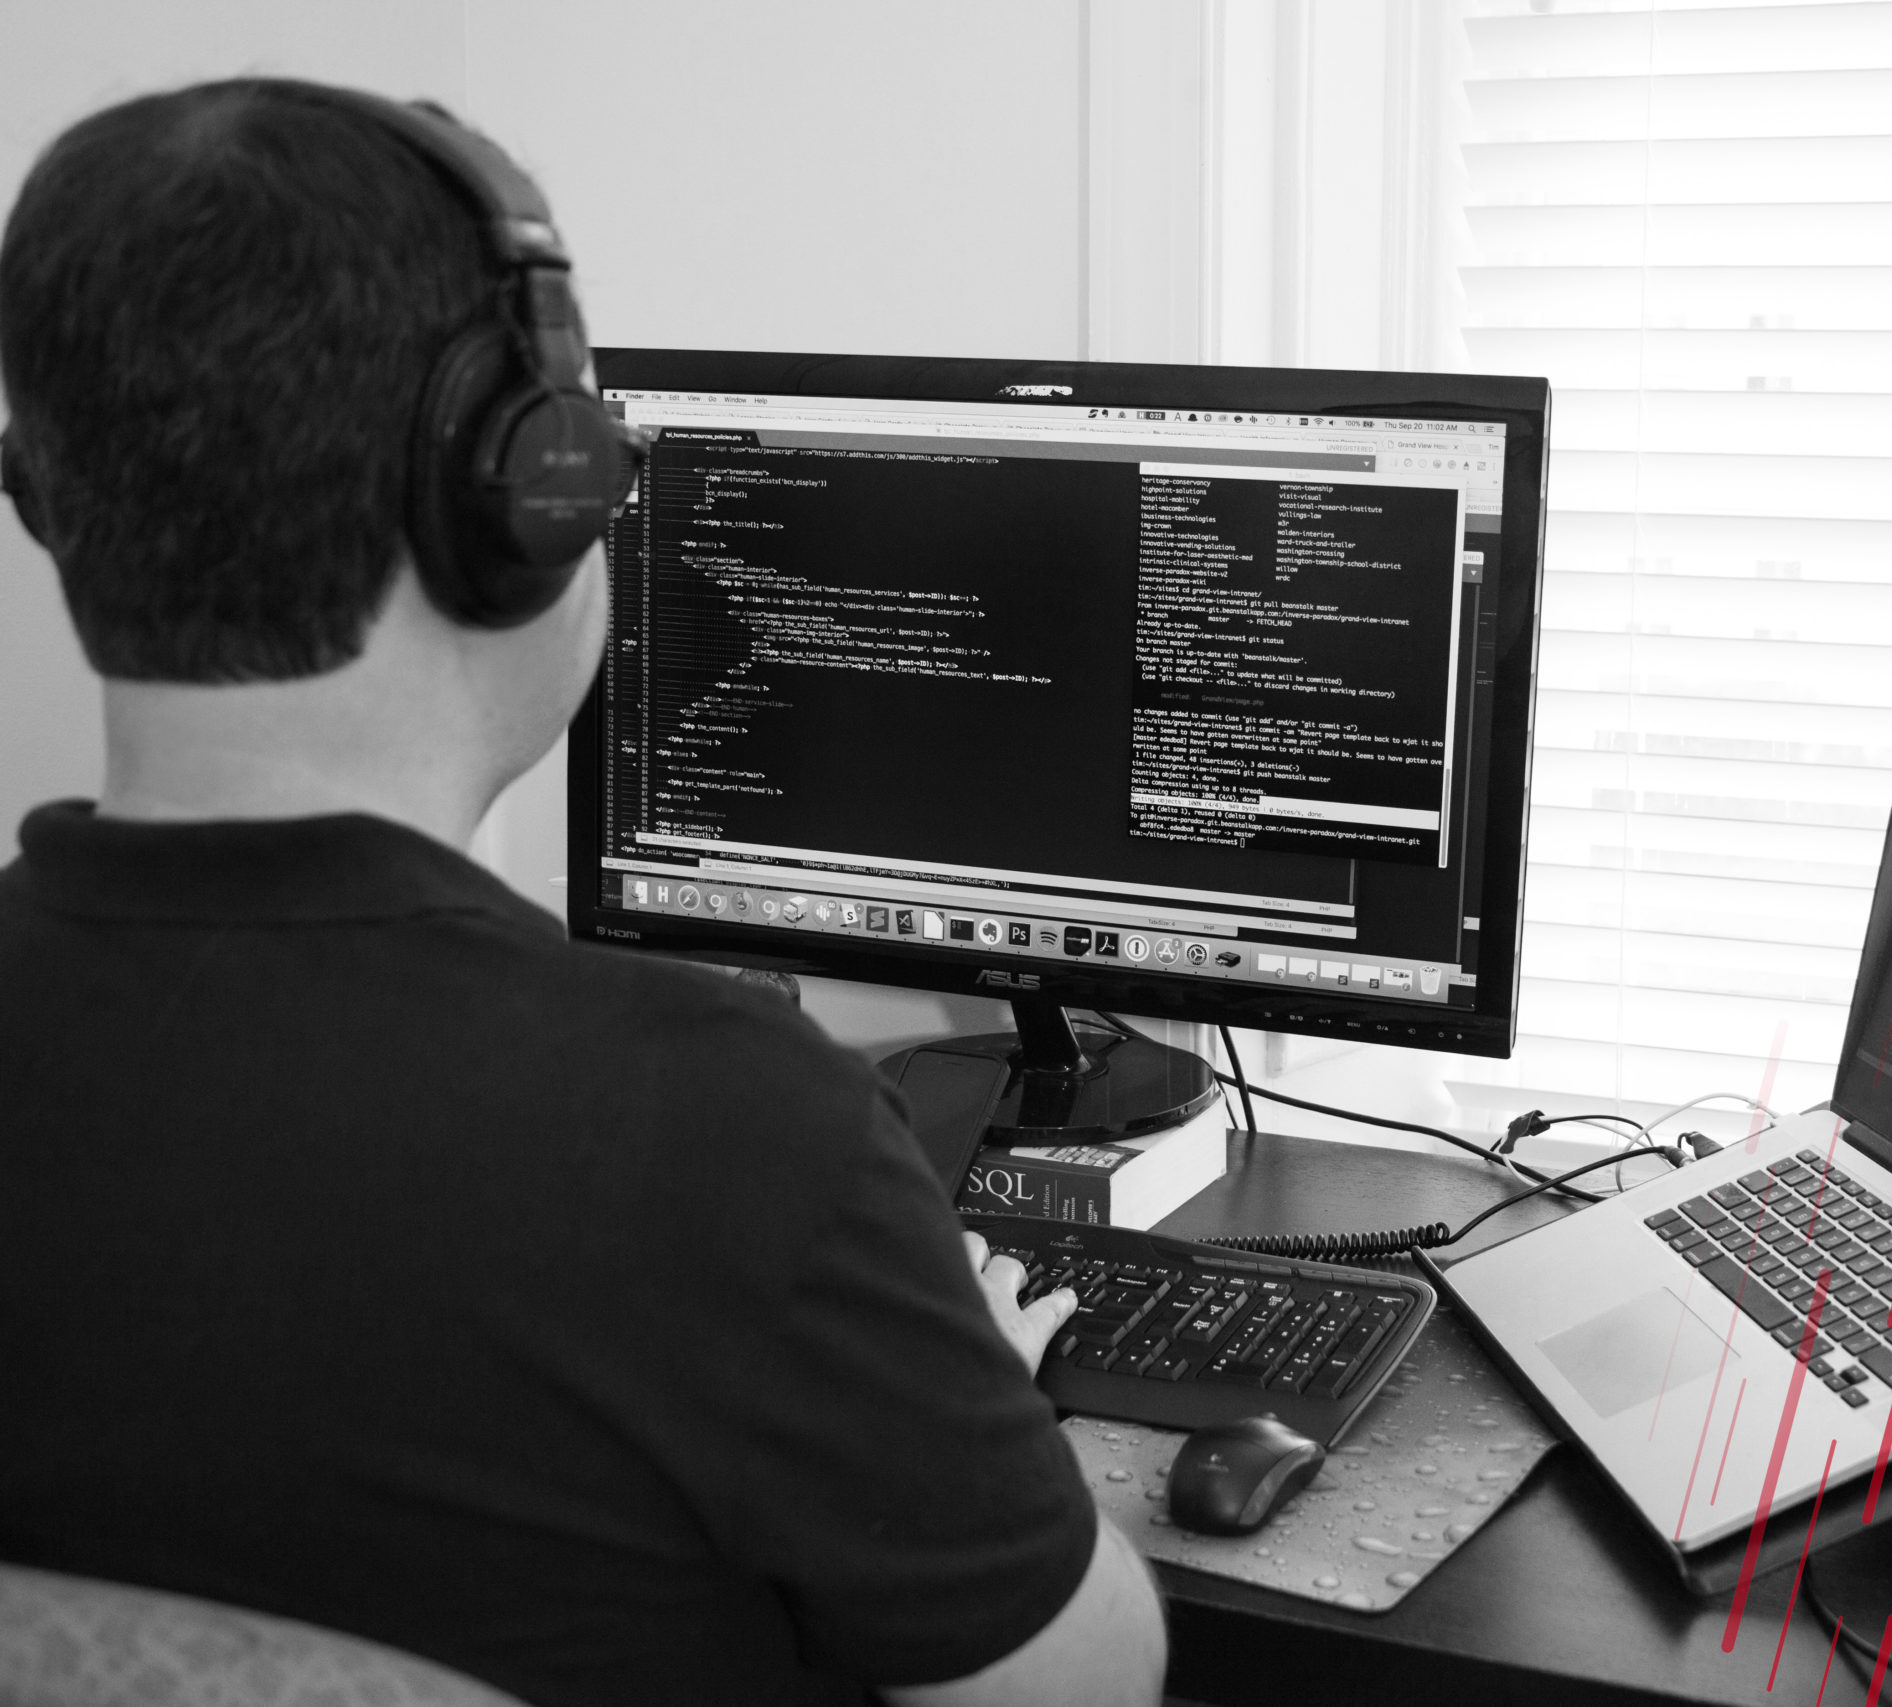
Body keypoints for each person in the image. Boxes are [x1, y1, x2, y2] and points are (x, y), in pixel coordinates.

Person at [0, 78, 1164, 1707]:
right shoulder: (728, 1131)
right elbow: (1077, 1690)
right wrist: (969, 1401)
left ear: (50, 497)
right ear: (525, 494)